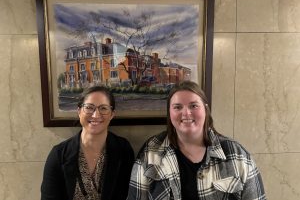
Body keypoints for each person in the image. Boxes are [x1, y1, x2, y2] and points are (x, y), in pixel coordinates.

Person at [127, 80, 266, 200]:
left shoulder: (237, 154)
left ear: (205, 109)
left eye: (194, 106)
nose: (186, 113)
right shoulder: (151, 152)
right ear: (169, 113)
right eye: (177, 107)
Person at [41, 85, 134, 200]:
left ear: (112, 114)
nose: (96, 115)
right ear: (79, 111)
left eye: (103, 108)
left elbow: (129, 195)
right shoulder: (58, 154)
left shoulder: (123, 150)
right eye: (89, 107)